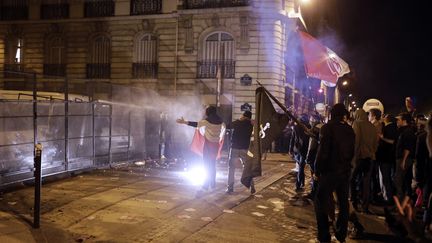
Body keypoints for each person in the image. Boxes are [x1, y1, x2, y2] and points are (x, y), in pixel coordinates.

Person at [314, 103, 355, 243]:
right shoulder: (350, 130)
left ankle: (324, 234)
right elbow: (351, 152)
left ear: (332, 114)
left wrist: (317, 169)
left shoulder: (327, 128)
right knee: (343, 203)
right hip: (344, 171)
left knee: (320, 200)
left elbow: (323, 152)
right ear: (343, 115)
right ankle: (341, 233)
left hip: (329, 171)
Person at [176, 105, 226, 195]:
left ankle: (205, 186)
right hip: (215, 146)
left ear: (208, 112)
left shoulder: (206, 122)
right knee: (212, 165)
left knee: (206, 165)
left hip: (208, 146)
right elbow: (223, 132)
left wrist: (184, 122)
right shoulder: (221, 122)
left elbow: (196, 124)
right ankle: (212, 184)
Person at [351, 108, 378, 213]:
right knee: (366, 182)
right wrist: (372, 152)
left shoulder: (357, 124)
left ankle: (354, 202)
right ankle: (365, 206)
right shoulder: (372, 126)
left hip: (359, 157)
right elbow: (376, 143)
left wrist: (354, 157)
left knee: (352, 179)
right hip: (370, 157)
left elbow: (356, 141)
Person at [226, 110, 253, 194]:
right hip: (245, 148)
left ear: (243, 115)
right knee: (247, 168)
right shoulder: (251, 125)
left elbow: (228, 126)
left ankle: (230, 188)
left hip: (234, 147)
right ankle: (252, 187)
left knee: (231, 168)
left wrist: (239, 120)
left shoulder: (237, 122)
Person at [394, 112, 416, 200]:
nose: (397, 121)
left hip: (404, 159)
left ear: (404, 121)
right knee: (405, 181)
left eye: (399, 119)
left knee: (398, 181)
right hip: (404, 159)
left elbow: (408, 147)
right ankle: (405, 202)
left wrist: (403, 160)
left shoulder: (407, 132)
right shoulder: (404, 130)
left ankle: (400, 203)